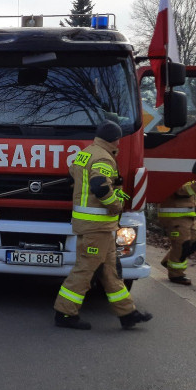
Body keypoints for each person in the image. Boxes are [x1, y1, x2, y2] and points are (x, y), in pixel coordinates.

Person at [53, 120, 153, 331]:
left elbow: (73, 172)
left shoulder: (86, 152)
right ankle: (64, 313)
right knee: (84, 270)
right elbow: (99, 186)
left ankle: (128, 314)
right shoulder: (104, 158)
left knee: (110, 273)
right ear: (116, 139)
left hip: (96, 227)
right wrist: (115, 205)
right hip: (96, 227)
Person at [157, 177, 196, 285]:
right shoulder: (175, 172)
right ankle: (176, 274)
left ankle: (168, 261)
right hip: (175, 217)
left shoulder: (188, 172)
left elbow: (191, 193)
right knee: (182, 244)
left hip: (188, 216)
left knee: (194, 241)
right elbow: (181, 191)